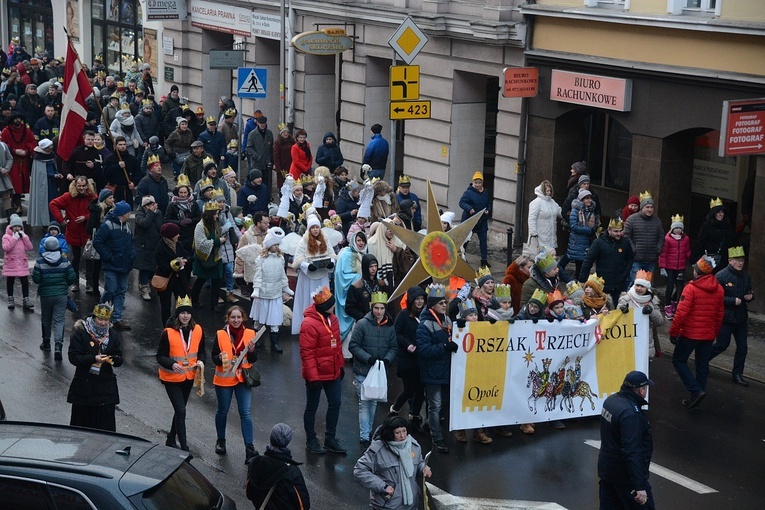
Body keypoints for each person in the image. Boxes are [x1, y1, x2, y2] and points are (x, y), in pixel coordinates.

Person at [669, 255, 724, 409]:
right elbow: (719, 315)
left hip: (689, 334)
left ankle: (696, 390)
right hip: (707, 335)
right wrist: (715, 333)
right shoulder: (719, 289)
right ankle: (696, 396)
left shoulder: (691, 288)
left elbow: (681, 314)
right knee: (702, 365)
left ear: (698, 272)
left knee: (679, 360)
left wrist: (673, 332)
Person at [598, 370, 655, 510]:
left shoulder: (611, 401)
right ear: (641, 390)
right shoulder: (631, 415)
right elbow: (632, 451)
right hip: (625, 477)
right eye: (646, 388)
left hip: (607, 471)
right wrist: (639, 486)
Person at [299, 286, 346, 455]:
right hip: (317, 374)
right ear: (325, 306)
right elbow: (307, 353)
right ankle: (311, 439)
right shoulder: (309, 324)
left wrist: (340, 366)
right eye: (332, 304)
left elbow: (337, 345)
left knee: (335, 403)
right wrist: (313, 378)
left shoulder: (332, 319)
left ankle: (330, 438)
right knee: (312, 407)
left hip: (333, 371)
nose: (335, 307)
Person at [156, 296, 205, 453]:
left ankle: (171, 439)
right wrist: (172, 364)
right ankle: (184, 447)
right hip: (171, 378)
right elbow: (160, 356)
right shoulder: (168, 332)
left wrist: (201, 362)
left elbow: (202, 352)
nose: (185, 316)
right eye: (182, 313)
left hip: (188, 377)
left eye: (188, 313)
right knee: (181, 411)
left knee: (180, 410)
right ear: (177, 315)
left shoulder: (197, 330)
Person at [349, 291, 397, 449]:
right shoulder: (362, 324)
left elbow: (393, 347)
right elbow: (353, 346)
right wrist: (367, 358)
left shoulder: (389, 326)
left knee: (374, 402)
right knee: (364, 403)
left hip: (379, 372)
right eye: (376, 308)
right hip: (364, 370)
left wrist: (387, 360)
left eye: (382, 308)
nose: (379, 311)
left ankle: (368, 432)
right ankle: (364, 436)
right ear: (372, 308)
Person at [211, 305, 259, 463]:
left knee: (245, 412)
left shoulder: (250, 333)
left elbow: (253, 359)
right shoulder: (220, 334)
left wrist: (252, 351)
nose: (236, 320)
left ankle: (249, 448)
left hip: (243, 379)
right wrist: (221, 357)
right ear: (228, 318)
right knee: (222, 411)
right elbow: (214, 357)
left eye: (239, 317)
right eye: (233, 317)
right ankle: (221, 441)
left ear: (243, 318)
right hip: (225, 378)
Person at [354, 415, 432, 510]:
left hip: (411, 504)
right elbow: (360, 470)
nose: (403, 436)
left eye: (404, 431)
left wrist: (423, 467)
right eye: (397, 433)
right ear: (390, 434)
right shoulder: (378, 450)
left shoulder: (413, 445)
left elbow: (419, 461)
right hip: (388, 505)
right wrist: (383, 486)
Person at [67, 303, 124, 431]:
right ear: (94, 318)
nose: (103, 323)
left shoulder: (113, 335)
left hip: (105, 390)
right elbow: (73, 357)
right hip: (84, 388)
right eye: (100, 319)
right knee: (82, 428)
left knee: (105, 430)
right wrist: (93, 359)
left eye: (106, 320)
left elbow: (119, 358)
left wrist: (113, 360)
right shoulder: (80, 333)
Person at [416, 284, 455, 453]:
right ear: (432, 306)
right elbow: (424, 350)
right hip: (432, 371)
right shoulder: (424, 325)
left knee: (445, 404)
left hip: (445, 370)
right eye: (440, 303)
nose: (444, 306)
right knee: (435, 405)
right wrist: (445, 346)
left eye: (444, 303)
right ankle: (437, 439)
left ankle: (427, 426)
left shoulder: (446, 320)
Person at [709, 246, 753, 387]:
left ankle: (737, 374)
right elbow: (716, 297)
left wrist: (750, 296)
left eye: (742, 260)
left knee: (742, 348)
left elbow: (749, 290)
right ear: (730, 261)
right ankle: (703, 359)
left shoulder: (746, 276)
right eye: (737, 260)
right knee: (722, 345)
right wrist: (732, 301)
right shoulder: (721, 276)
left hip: (741, 318)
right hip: (726, 318)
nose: (740, 263)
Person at [246, 423, 311, 509]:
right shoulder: (292, 472)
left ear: (271, 438)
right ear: (288, 441)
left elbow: (249, 494)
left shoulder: (255, 463)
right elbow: (303, 505)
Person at [49, 176, 97, 292]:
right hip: (73, 232)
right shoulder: (68, 196)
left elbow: (97, 212)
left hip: (87, 232)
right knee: (75, 259)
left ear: (87, 186)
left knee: (89, 259)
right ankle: (75, 282)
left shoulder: (93, 197)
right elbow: (53, 204)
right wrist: (61, 220)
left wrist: (85, 217)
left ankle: (89, 283)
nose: (81, 188)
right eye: (79, 186)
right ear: (75, 185)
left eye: (83, 186)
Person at [93, 200, 135, 330]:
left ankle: (117, 318)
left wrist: (132, 255)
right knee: (111, 289)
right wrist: (108, 257)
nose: (130, 214)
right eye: (128, 212)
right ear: (123, 213)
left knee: (121, 291)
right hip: (111, 265)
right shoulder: (107, 226)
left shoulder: (127, 225)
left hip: (125, 264)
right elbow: (98, 242)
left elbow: (131, 242)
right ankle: (99, 309)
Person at [250, 227, 293, 353]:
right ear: (268, 245)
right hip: (263, 293)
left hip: (275, 293)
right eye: (274, 244)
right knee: (259, 319)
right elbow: (258, 275)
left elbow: (282, 275)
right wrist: (256, 289)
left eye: (278, 244)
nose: (276, 247)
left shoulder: (281, 258)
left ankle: (274, 343)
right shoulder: (261, 259)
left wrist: (286, 288)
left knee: (275, 320)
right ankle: (257, 340)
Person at [32, 236, 77, 358]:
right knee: (59, 320)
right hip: (61, 295)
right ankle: (58, 345)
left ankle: (46, 343)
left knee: (46, 319)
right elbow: (72, 277)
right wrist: (64, 286)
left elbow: (36, 279)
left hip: (46, 295)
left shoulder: (40, 262)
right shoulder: (64, 261)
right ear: (58, 248)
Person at [291, 215, 336, 335]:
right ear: (309, 229)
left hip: (322, 276)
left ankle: (323, 325)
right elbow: (298, 259)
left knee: (323, 299)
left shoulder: (325, 240)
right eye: (313, 227)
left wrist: (331, 263)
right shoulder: (303, 241)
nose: (315, 230)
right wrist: (307, 266)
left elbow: (332, 255)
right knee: (309, 300)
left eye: (317, 227)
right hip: (308, 278)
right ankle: (308, 326)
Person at [390, 286, 427, 432]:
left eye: (421, 299)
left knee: (419, 391)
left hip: (420, 359)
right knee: (408, 390)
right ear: (411, 300)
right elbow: (396, 333)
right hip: (406, 359)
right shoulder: (403, 315)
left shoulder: (425, 315)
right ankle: (393, 412)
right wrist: (407, 344)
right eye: (417, 299)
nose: (419, 302)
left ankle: (415, 418)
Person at [579, 218, 634, 307]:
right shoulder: (598, 243)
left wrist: (625, 274)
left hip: (619, 283)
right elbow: (588, 261)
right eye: (616, 231)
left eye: (620, 231)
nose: (619, 234)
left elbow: (630, 259)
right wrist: (582, 279)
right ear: (609, 230)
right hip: (603, 283)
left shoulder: (625, 242)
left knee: (617, 308)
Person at [335, 231, 368, 358]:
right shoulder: (346, 255)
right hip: (349, 295)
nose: (361, 243)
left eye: (363, 241)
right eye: (359, 240)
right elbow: (341, 276)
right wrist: (360, 277)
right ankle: (346, 354)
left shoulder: (365, 254)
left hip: (361, 294)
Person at [617, 271, 663, 357]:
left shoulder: (652, 301)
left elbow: (659, 321)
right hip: (628, 339)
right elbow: (616, 319)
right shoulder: (625, 299)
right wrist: (622, 312)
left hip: (645, 341)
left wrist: (651, 312)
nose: (639, 288)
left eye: (642, 286)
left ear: (647, 288)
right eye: (637, 285)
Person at [623, 191, 664, 285]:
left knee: (646, 286)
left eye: (651, 207)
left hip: (651, 260)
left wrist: (658, 249)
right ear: (642, 208)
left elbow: (661, 237)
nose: (650, 209)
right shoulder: (631, 219)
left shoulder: (657, 221)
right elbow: (626, 236)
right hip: (636, 260)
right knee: (635, 284)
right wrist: (633, 249)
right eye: (647, 207)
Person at [154, 222, 190, 327]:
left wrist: (186, 260)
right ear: (170, 236)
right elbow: (161, 265)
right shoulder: (160, 248)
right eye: (176, 234)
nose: (179, 235)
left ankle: (182, 324)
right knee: (166, 306)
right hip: (166, 279)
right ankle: (167, 327)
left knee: (183, 302)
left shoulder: (178, 244)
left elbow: (186, 255)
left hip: (179, 279)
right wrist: (175, 264)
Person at [191, 203, 225, 310]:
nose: (216, 216)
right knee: (201, 279)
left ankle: (214, 304)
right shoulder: (200, 226)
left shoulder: (216, 224)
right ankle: (194, 300)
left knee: (216, 281)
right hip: (204, 258)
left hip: (215, 256)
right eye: (215, 214)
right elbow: (201, 244)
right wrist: (217, 241)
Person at [1, 112, 36, 214]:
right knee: (13, 184)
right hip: (12, 161)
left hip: (24, 161)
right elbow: (4, 144)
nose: (17, 121)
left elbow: (32, 142)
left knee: (21, 184)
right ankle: (16, 203)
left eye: (19, 119)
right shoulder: (6, 131)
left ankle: (16, 202)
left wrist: (27, 150)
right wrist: (15, 150)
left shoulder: (27, 130)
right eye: (15, 119)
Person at [658, 214, 691, 319]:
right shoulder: (667, 239)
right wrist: (662, 267)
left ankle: (674, 302)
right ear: (672, 228)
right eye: (676, 228)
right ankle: (667, 305)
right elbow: (663, 254)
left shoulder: (685, 239)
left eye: (679, 228)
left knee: (680, 286)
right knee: (670, 286)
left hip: (681, 266)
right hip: (670, 267)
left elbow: (687, 252)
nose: (677, 230)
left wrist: (692, 258)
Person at [561, 188, 598, 280]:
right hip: (576, 242)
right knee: (568, 261)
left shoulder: (591, 210)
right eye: (586, 198)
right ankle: (568, 279)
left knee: (581, 265)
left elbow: (595, 223)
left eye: (590, 198)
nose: (589, 200)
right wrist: (589, 230)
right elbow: (573, 226)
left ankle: (579, 283)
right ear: (581, 200)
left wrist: (594, 228)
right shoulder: (576, 211)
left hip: (586, 243)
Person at [690, 197, 734, 274]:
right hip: (710, 260)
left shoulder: (727, 225)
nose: (721, 214)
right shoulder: (707, 226)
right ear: (713, 213)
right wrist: (694, 259)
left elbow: (732, 242)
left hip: (724, 260)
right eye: (718, 212)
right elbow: (700, 243)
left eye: (722, 212)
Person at [133, 195, 163, 301]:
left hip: (155, 244)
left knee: (153, 267)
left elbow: (160, 226)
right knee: (144, 268)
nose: (152, 206)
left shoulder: (158, 214)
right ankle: (144, 287)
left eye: (153, 204)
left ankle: (152, 285)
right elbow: (145, 224)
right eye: (149, 205)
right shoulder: (139, 214)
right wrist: (150, 213)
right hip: (143, 245)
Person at [459, 171, 492, 267]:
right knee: (465, 240)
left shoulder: (485, 192)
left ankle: (484, 259)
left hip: (482, 220)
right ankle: (462, 256)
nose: (477, 185)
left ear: (482, 183)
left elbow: (489, 203)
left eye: (479, 182)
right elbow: (461, 202)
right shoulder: (468, 192)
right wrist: (469, 209)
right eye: (476, 182)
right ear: (473, 183)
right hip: (470, 220)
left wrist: (488, 211)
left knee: (483, 241)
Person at [85, 189, 114, 295]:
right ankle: (95, 288)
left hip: (110, 242)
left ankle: (109, 290)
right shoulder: (96, 211)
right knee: (97, 267)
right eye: (110, 198)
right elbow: (89, 228)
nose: (112, 200)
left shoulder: (113, 209)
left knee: (108, 267)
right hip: (100, 243)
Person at [3, 214, 34, 310]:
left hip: (22, 263)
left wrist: (24, 237)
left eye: (19, 226)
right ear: (11, 227)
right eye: (15, 226)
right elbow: (7, 248)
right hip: (11, 263)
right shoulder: (6, 237)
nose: (17, 228)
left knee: (24, 281)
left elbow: (30, 247)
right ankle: (10, 298)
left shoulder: (22, 236)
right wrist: (14, 238)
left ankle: (26, 298)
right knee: (10, 281)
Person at [28, 138, 58, 227]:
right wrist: (53, 175)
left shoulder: (51, 155)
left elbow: (54, 167)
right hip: (43, 184)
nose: (50, 148)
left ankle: (53, 220)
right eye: (49, 147)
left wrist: (56, 173)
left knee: (53, 201)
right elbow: (41, 173)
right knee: (43, 201)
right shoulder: (38, 158)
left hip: (52, 184)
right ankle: (44, 222)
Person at [103, 136, 142, 204]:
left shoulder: (132, 159)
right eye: (120, 145)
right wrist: (117, 166)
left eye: (124, 144)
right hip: (114, 190)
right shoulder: (109, 159)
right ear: (115, 146)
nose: (122, 146)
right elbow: (105, 173)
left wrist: (134, 183)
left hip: (126, 190)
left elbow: (138, 173)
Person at [528, 179, 562, 252]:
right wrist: (533, 233)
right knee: (540, 258)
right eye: (547, 191)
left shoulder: (552, 202)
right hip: (540, 236)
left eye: (550, 191)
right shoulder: (537, 203)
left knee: (549, 259)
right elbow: (532, 218)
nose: (549, 193)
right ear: (543, 191)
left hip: (550, 235)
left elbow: (559, 211)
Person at [273, 123, 294, 190]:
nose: (285, 134)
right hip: (282, 166)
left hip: (291, 165)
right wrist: (278, 168)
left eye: (287, 132)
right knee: (282, 185)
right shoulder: (278, 142)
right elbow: (276, 156)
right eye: (284, 132)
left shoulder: (292, 141)